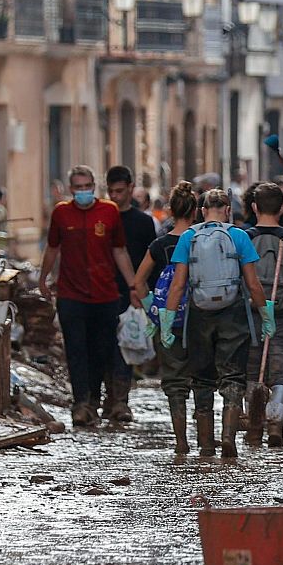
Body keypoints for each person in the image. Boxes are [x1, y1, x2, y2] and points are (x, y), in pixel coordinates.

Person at [159, 188, 270, 459]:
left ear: (201, 211)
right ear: (228, 210)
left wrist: (167, 322)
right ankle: (228, 436)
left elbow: (178, 285)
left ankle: (206, 445)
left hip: (199, 314)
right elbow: (253, 284)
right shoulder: (239, 236)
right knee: (233, 375)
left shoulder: (188, 237)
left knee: (202, 377)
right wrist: (266, 317)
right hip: (233, 313)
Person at [42, 165, 138, 428]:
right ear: (71, 189)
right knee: (75, 350)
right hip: (71, 294)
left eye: (87, 187)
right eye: (78, 187)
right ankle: (81, 404)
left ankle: (97, 401)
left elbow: (119, 251)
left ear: (94, 187)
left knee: (101, 350)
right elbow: (52, 248)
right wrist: (43, 278)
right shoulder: (61, 214)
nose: (83, 192)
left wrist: (133, 285)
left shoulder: (108, 212)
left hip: (105, 294)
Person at [131, 181, 198, 454]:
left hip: (167, 321)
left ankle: (181, 440)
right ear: (195, 211)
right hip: (200, 318)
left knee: (174, 380)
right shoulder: (200, 240)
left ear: (171, 210)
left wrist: (153, 311)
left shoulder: (159, 245)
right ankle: (209, 440)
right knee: (204, 380)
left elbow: (138, 282)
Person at [242, 183, 283, 447]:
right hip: (282, 315)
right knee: (281, 373)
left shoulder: (244, 237)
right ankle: (276, 425)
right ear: (282, 208)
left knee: (251, 372)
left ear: (254, 207)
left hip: (250, 316)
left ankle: (254, 426)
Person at [102, 165, 158, 424]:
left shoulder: (143, 222)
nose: (116, 196)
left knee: (126, 344)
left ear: (131, 188)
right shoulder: (101, 218)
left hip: (131, 293)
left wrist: (147, 293)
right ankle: (107, 397)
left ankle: (120, 401)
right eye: (111, 191)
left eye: (120, 191)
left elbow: (151, 258)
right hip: (102, 290)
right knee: (104, 345)